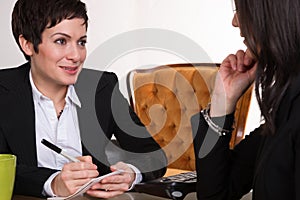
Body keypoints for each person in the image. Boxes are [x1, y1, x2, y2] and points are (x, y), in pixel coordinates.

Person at [0, 0, 166, 198]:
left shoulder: (102, 88)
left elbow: (154, 155)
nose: (76, 55)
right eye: (61, 41)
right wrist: (52, 183)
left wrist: (131, 173)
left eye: (81, 42)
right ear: (27, 44)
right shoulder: (3, 91)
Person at [192, 0, 300, 199]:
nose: (235, 22)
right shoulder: (285, 103)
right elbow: (216, 194)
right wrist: (221, 103)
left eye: (240, 10)